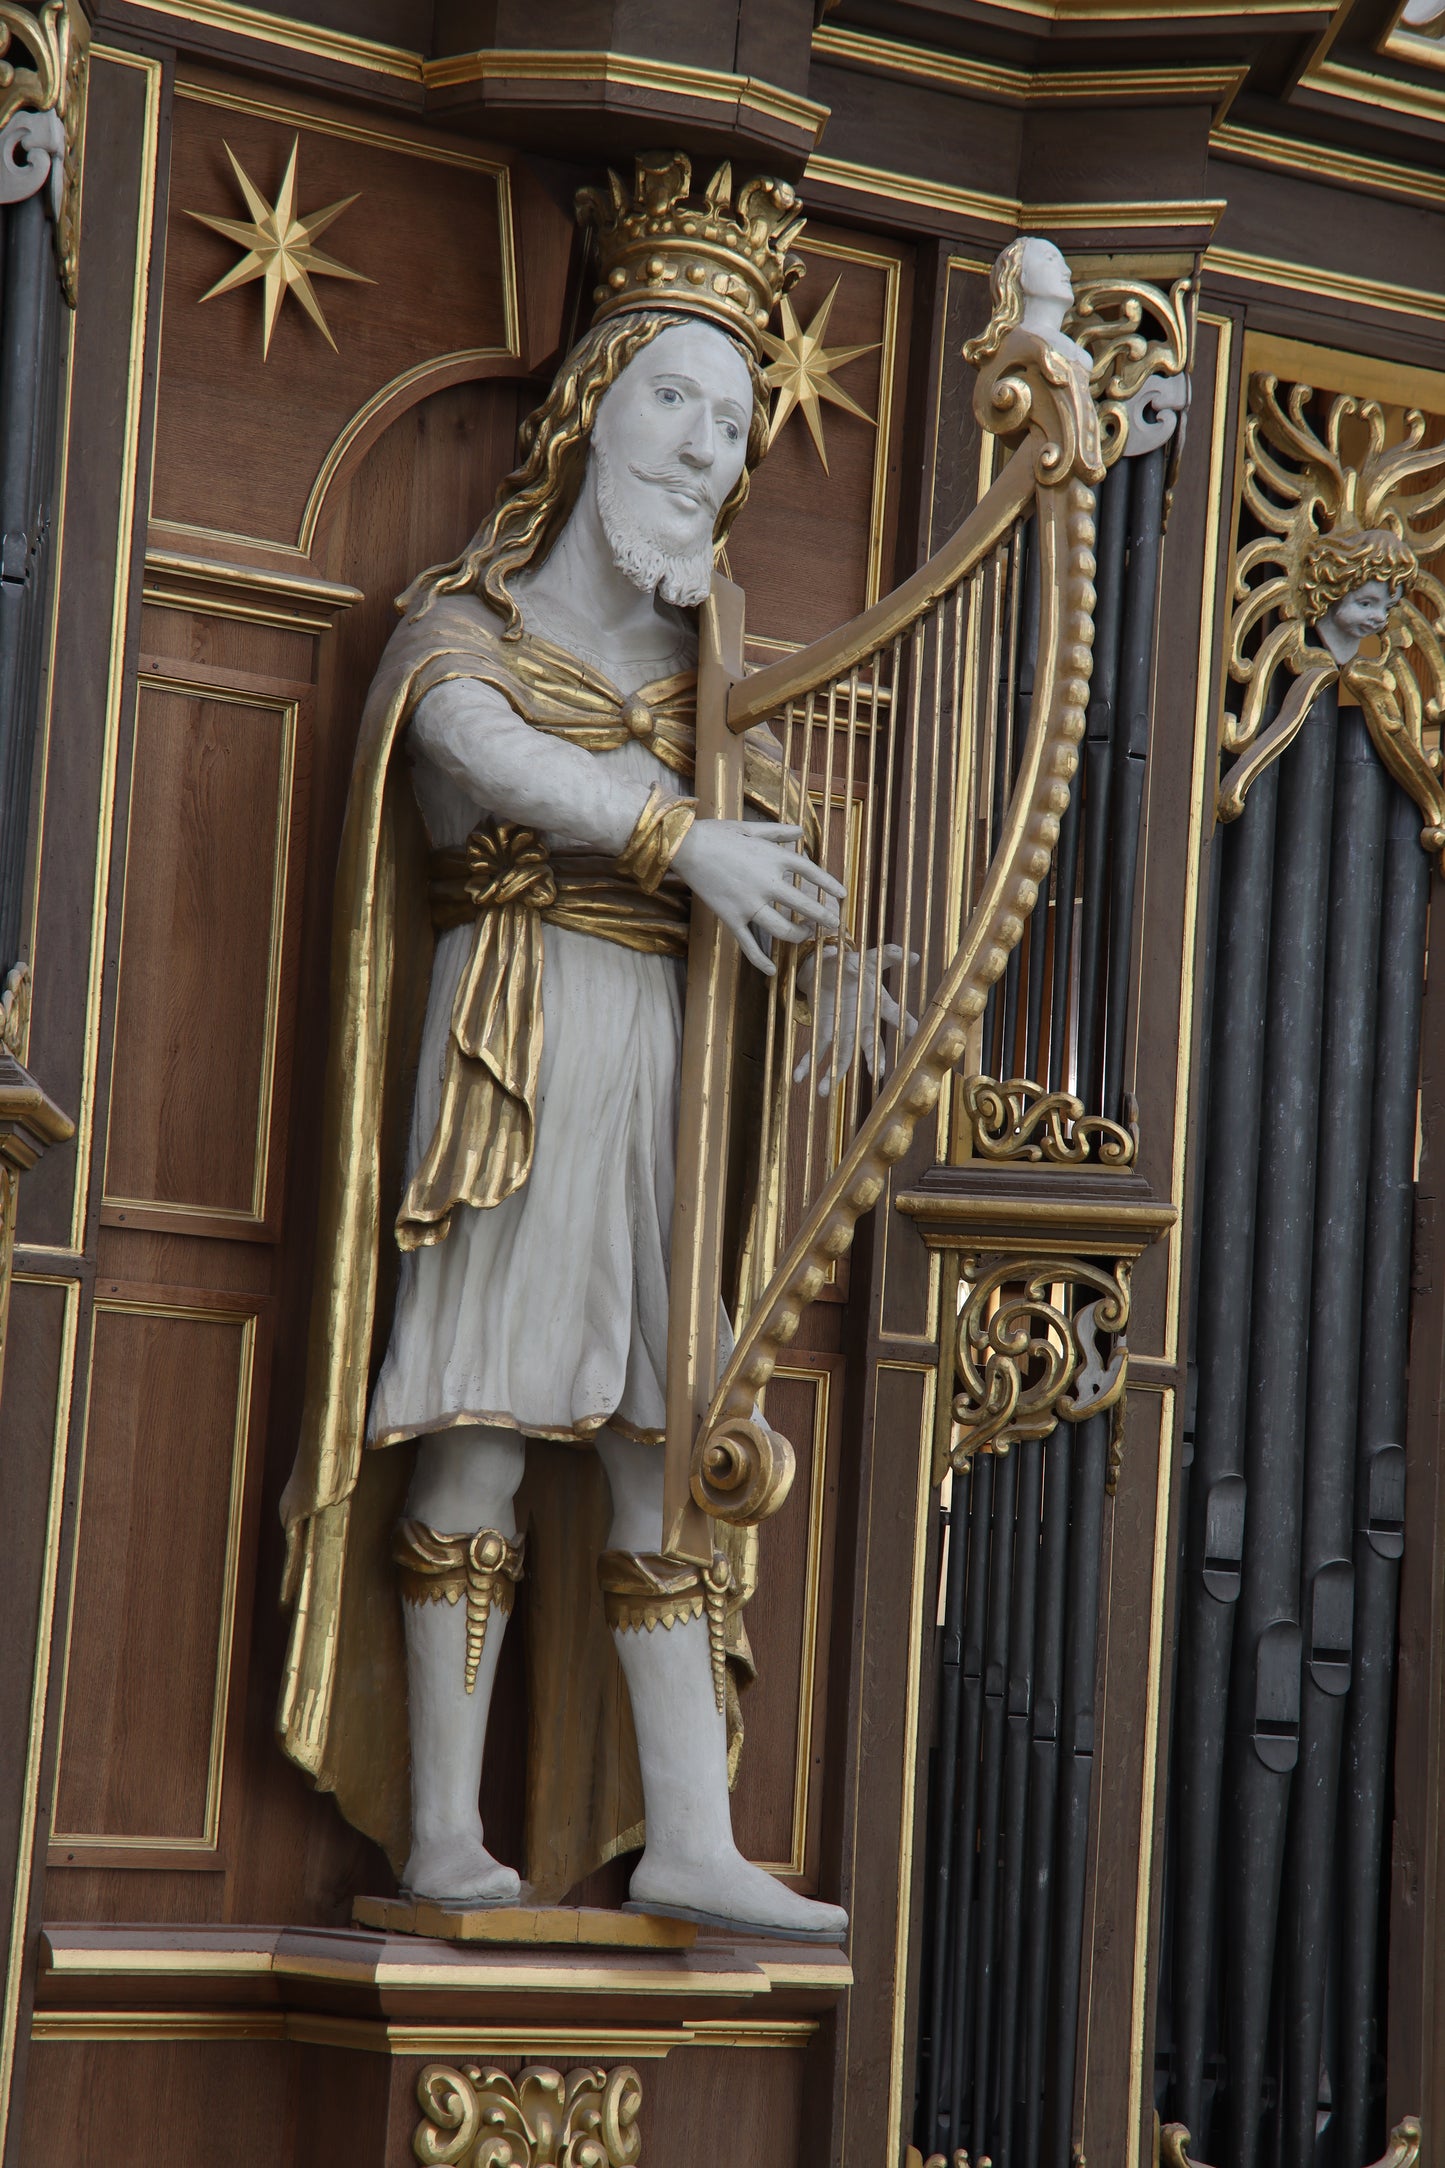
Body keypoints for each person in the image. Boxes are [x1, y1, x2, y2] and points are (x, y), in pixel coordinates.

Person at [277, 154, 894, 1940]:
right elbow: (470, 754)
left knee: (659, 1434)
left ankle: (690, 1833)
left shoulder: (721, 695)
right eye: (677, 400)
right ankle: (446, 1835)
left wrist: (834, 967)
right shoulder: (469, 632)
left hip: (667, 1073)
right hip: (520, 1036)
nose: (708, 446)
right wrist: (674, 839)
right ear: (590, 411)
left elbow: (777, 873)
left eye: (735, 421)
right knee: (475, 1422)